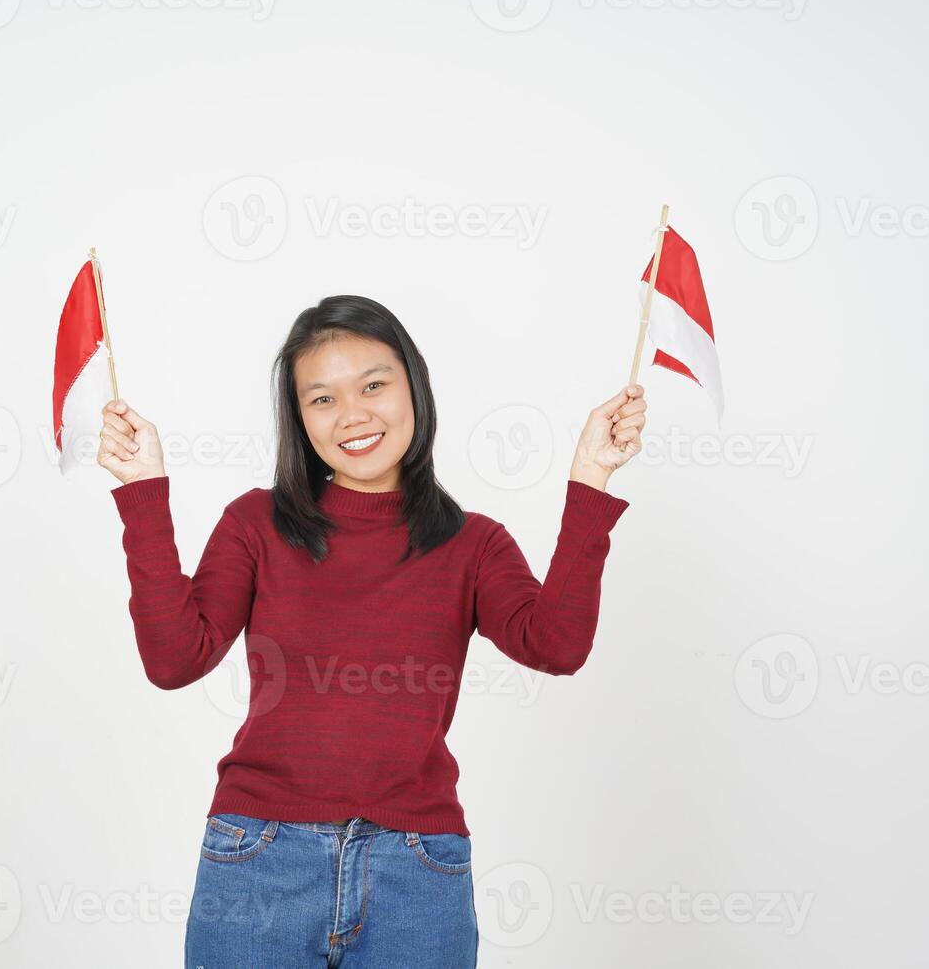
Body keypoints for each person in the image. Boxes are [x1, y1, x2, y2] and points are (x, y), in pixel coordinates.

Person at [98, 295, 646, 968]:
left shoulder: (473, 543)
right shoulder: (256, 524)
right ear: (299, 419)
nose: (352, 415)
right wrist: (142, 489)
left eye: (374, 385)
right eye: (321, 399)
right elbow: (175, 658)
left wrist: (591, 477)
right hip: (258, 860)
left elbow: (556, 645)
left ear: (414, 386)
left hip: (416, 870)